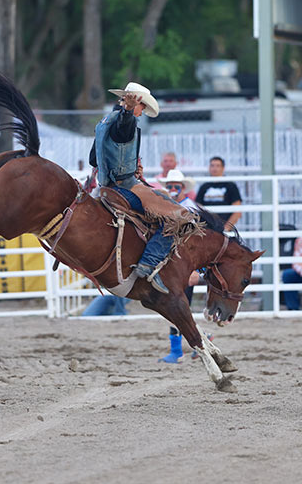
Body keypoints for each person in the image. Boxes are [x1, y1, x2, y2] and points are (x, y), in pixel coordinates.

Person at [89, 81, 199, 294]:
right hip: (126, 187)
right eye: (142, 108)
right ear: (135, 104)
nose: (142, 113)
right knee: (181, 216)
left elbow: (94, 159)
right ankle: (148, 263)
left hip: (106, 186)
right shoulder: (125, 121)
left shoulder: (103, 123)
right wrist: (128, 112)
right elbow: (125, 127)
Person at [156, 169, 203, 362]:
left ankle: (178, 350)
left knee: (177, 306)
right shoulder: (173, 206)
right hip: (176, 264)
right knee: (179, 306)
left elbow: (198, 241)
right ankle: (199, 340)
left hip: (185, 265)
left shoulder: (188, 208)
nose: (173, 189)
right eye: (170, 186)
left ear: (183, 188)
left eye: (176, 186)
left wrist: (196, 269)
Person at [195, 156, 242, 231]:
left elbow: (237, 211)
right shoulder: (204, 187)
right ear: (209, 168)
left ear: (223, 168)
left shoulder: (231, 186)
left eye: (218, 166)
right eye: (212, 165)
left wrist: (226, 228)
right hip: (207, 229)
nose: (215, 168)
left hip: (225, 228)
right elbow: (197, 207)